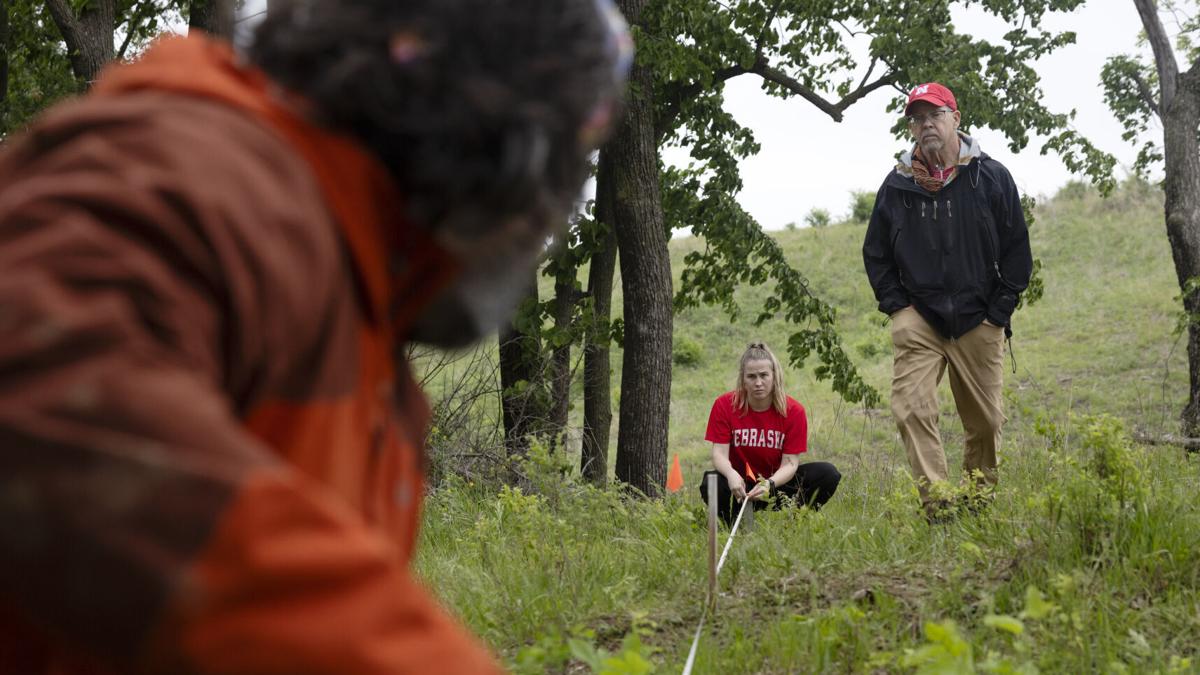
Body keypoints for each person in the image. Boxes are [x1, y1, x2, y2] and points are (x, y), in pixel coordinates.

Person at [0, 2, 632, 673]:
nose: (549, 224)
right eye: (564, 170)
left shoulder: (365, 332)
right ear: (494, 139)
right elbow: (35, 398)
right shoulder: (205, 174)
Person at [862, 82, 1033, 519]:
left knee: (987, 423)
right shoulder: (898, 185)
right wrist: (897, 309)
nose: (925, 125)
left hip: (980, 318)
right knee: (910, 409)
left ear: (956, 117)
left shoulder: (990, 176)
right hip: (919, 317)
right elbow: (876, 253)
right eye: (917, 119)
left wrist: (999, 313)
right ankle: (939, 506)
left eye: (934, 115)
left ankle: (976, 503)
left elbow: (1017, 251)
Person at [699, 343, 841, 525]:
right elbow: (718, 454)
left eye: (764, 375)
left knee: (827, 473)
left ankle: (794, 521)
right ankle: (733, 524)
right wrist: (730, 474)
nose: (758, 383)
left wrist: (769, 484)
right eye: (751, 376)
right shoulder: (725, 405)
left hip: (775, 486)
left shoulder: (794, 411)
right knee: (711, 482)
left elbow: (790, 463)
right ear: (743, 379)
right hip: (738, 486)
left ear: (774, 376)